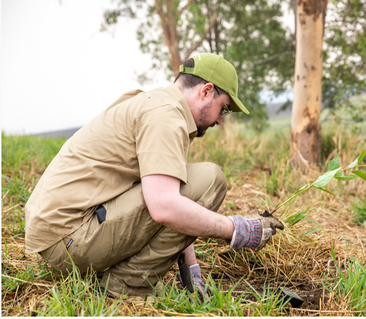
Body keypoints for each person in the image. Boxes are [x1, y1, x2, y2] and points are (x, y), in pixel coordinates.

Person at [24, 53, 284, 297]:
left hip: (59, 236)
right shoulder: (166, 117)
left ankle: (123, 277)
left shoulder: (158, 104)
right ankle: (124, 286)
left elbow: (172, 192)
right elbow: (164, 207)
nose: (219, 121)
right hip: (71, 238)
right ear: (206, 91)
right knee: (211, 179)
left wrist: (191, 271)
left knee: (195, 182)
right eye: (224, 108)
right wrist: (236, 229)